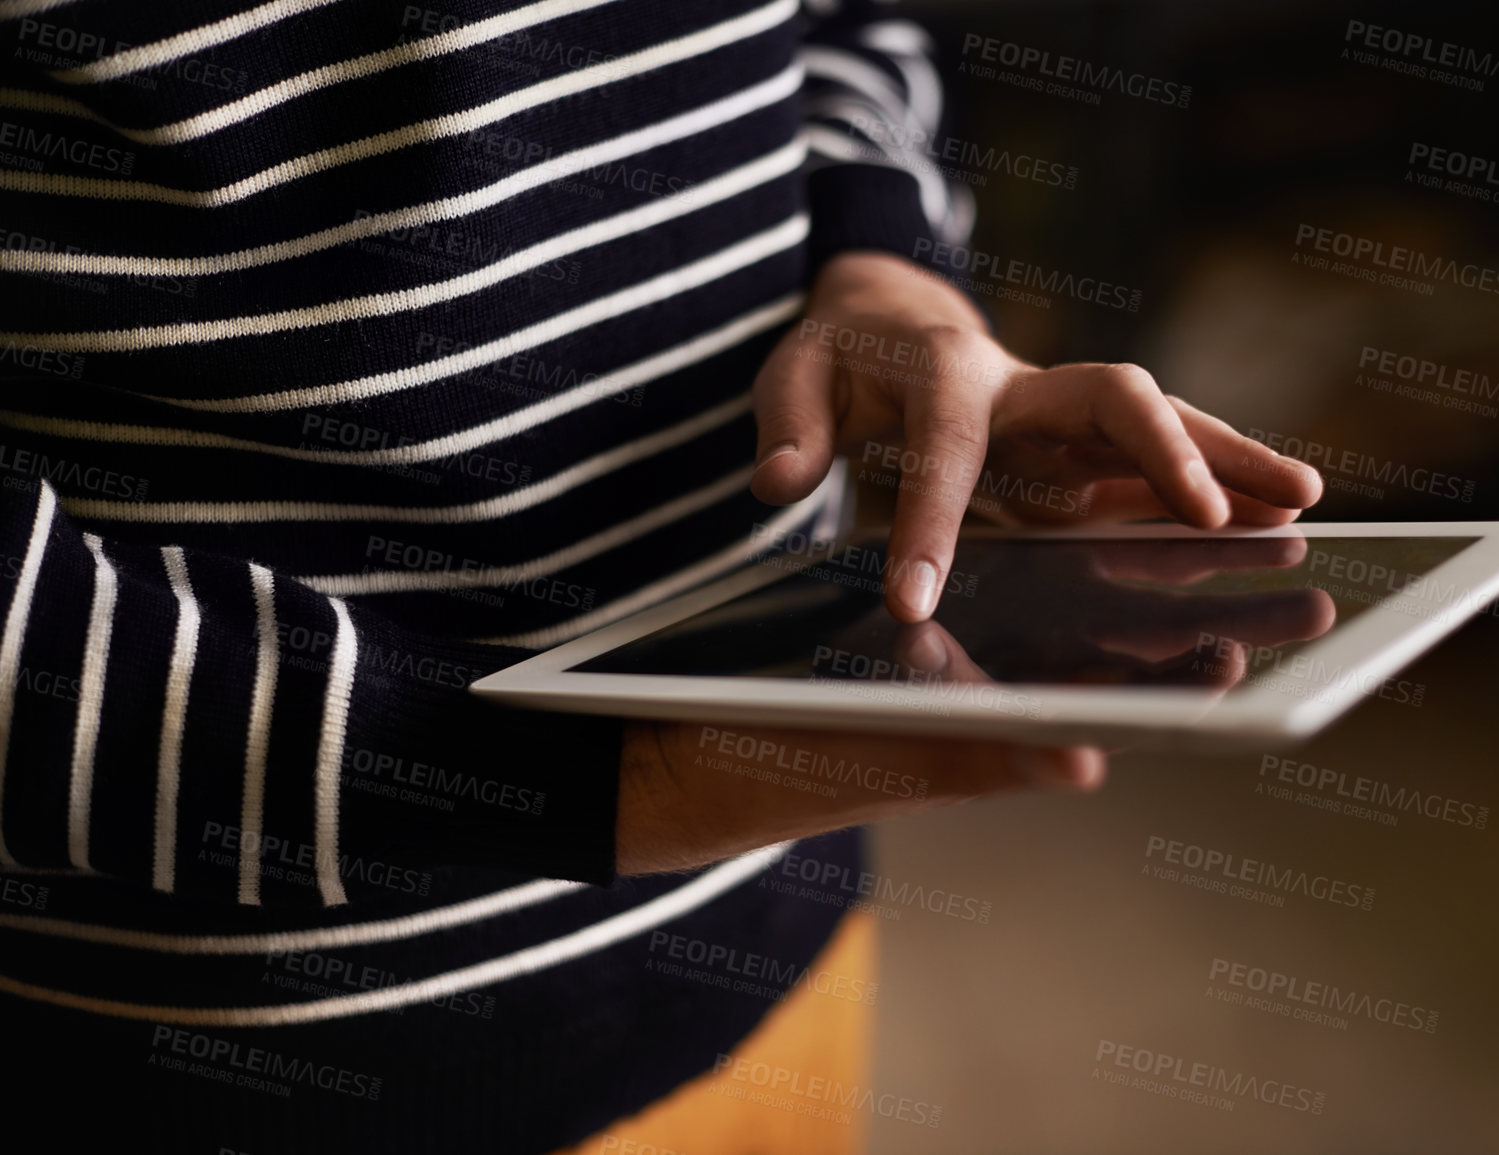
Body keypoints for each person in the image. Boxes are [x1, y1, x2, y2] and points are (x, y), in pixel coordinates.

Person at [0, 0, 1321, 1150]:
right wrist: (576, 778)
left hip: (773, 927)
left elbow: (852, 21)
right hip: (278, 1056)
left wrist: (885, 269)